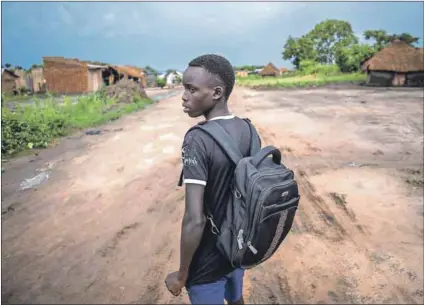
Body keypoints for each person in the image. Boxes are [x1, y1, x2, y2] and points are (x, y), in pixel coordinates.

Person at [165, 54, 261, 304]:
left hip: (207, 262)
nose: (184, 96)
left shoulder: (197, 139)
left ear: (217, 92)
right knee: (237, 299)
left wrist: (182, 274)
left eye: (191, 89)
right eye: (184, 88)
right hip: (236, 249)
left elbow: (195, 220)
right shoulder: (249, 129)